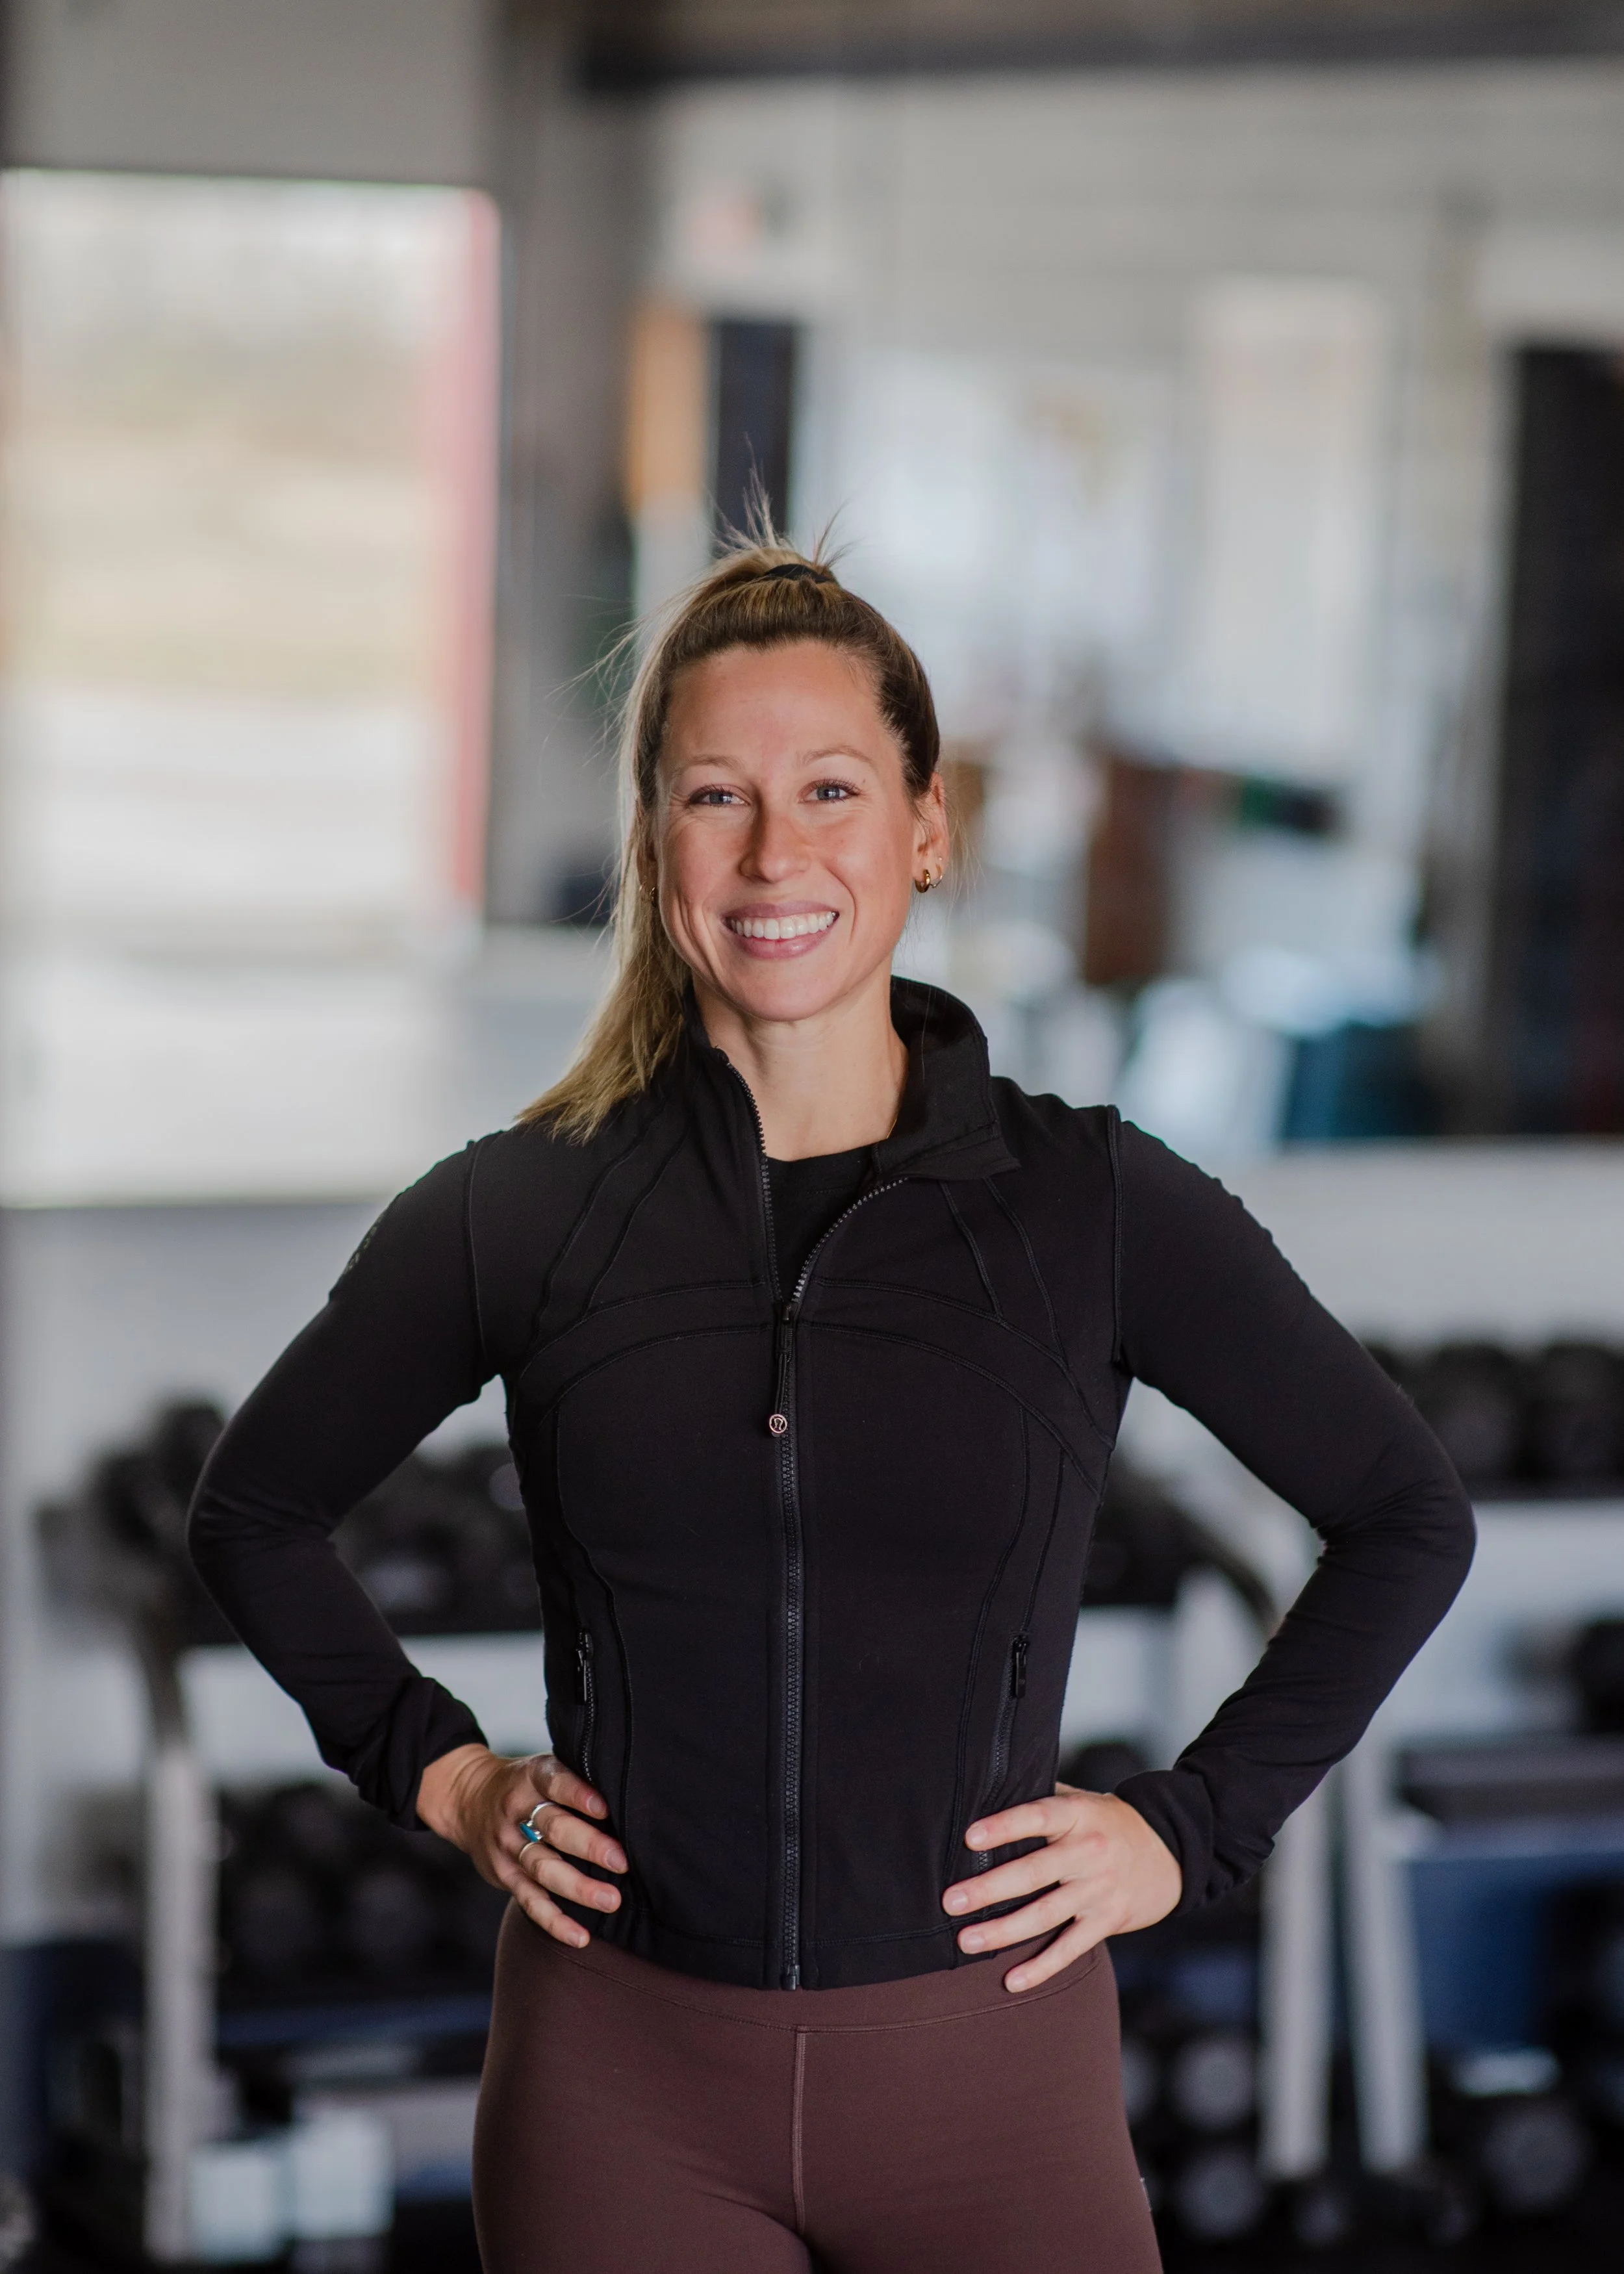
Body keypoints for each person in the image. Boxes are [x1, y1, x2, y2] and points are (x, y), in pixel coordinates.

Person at [190, 541, 1475, 2273]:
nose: (774, 852)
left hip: (986, 2084)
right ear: (656, 842)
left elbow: (1406, 1514)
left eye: (830, 790)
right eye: (716, 795)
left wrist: (1190, 1827)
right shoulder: (520, 1209)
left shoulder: (1088, 1206)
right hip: (617, 2092)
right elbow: (252, 1512)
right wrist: (446, 1775)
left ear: (925, 828)